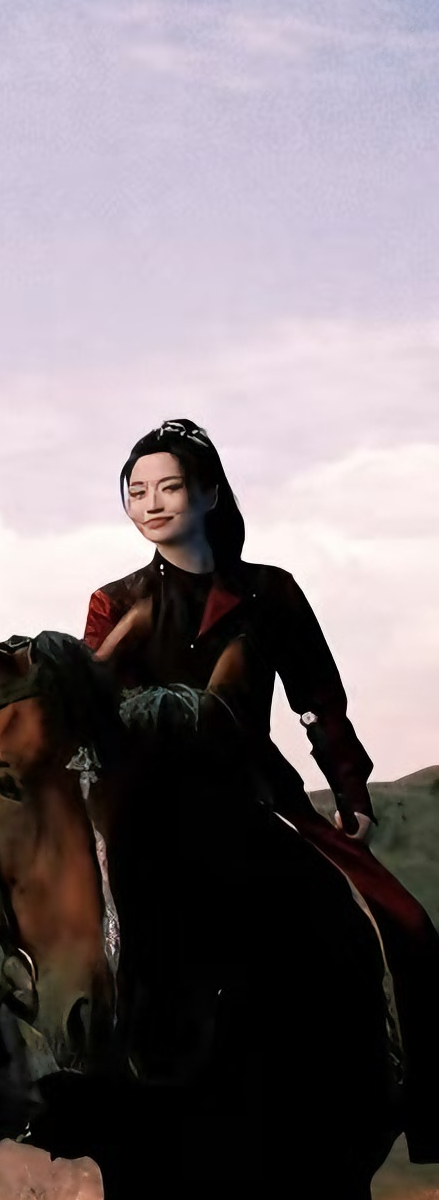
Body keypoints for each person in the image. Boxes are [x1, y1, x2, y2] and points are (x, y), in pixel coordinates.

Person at [84, 418, 438, 1161]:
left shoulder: (270, 592)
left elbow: (319, 700)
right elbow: (90, 714)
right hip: (148, 809)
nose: (151, 503)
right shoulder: (113, 603)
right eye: (137, 492)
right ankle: (72, 1102)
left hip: (254, 792)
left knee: (405, 920)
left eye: (169, 487)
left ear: (209, 493)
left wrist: (351, 792)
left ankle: (423, 1100)